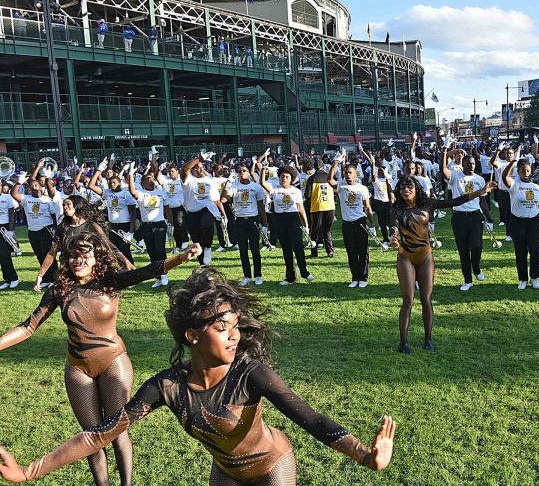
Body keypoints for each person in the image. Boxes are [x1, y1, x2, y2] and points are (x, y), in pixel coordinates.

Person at [0, 267, 396, 485]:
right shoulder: (167, 387)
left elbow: (310, 419)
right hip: (224, 473)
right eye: (223, 326)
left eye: (236, 325)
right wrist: (28, 472)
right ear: (192, 334)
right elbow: (98, 434)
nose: (234, 334)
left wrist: (365, 454)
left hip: (273, 470)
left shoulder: (251, 374)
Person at [0, 232, 201, 486]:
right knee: (91, 437)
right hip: (78, 368)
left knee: (117, 432)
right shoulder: (60, 290)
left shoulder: (110, 282)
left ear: (96, 258)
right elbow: (29, 326)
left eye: (84, 255)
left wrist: (182, 257)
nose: (77, 260)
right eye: (72, 255)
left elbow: (148, 271)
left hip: (112, 362)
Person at [389, 175, 496, 354]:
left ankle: (428, 339)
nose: (405, 190)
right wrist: (394, 237)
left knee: (427, 299)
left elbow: (455, 201)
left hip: (425, 256)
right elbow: (393, 226)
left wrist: (481, 191)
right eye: (402, 188)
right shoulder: (396, 209)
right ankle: (403, 342)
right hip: (405, 256)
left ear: (416, 189)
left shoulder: (428, 204)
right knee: (408, 301)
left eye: (409, 187)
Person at [33, 195, 133, 292]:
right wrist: (40, 275)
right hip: (70, 270)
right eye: (63, 205)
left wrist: (125, 261)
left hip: (91, 270)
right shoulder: (62, 228)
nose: (64, 207)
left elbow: (108, 245)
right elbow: (52, 253)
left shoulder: (91, 226)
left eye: (68, 204)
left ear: (77, 205)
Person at [440, 143, 494, 291]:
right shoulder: (456, 176)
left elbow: (482, 200)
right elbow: (443, 169)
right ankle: (467, 280)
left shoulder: (480, 179)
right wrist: (446, 151)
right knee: (463, 250)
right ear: (462, 164)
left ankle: (475, 268)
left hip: (476, 217)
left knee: (477, 246)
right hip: (459, 217)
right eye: (468, 163)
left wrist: (489, 218)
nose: (471, 166)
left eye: (473, 163)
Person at [260, 163, 314, 285]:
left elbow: (301, 209)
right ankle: (290, 277)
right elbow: (263, 183)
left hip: (293, 219)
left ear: (292, 179)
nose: (284, 178)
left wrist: (306, 225)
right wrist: (263, 170)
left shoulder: (296, 191)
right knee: (286, 250)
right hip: (280, 219)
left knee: (298, 247)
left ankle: (305, 272)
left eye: (287, 177)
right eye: (282, 176)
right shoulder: (275, 190)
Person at [328, 154, 376, 288]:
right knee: (351, 252)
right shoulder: (341, 187)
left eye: (350, 173)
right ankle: (355, 277)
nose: (348, 175)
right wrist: (336, 163)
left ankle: (363, 278)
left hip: (360, 223)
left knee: (363, 252)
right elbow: (329, 179)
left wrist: (372, 225)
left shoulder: (362, 188)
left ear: (356, 174)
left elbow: (367, 207)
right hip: (347, 225)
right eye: (346, 173)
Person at [502, 153, 539, 290]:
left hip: (534, 222)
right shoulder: (515, 184)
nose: (526, 173)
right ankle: (523, 279)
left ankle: (534, 277)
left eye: (528, 170)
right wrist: (513, 161)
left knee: (535, 250)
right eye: (523, 170)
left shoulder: (536, 187)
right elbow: (504, 177)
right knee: (520, 251)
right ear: (518, 172)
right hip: (517, 222)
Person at [221, 163, 268, 286]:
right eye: (240, 171)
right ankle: (247, 276)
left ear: (249, 173)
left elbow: (261, 206)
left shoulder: (256, 187)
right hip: (240, 220)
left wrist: (265, 223)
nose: (242, 172)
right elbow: (223, 199)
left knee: (254, 249)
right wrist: (227, 184)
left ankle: (258, 275)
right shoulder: (234, 185)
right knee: (243, 250)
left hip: (253, 219)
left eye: (244, 170)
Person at [11, 170, 58, 287]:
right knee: (40, 255)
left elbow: (53, 216)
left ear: (41, 187)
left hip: (45, 230)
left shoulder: (47, 200)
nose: (33, 188)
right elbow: (14, 194)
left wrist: (56, 230)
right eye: (31, 187)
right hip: (32, 232)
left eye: (36, 185)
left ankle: (55, 279)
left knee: (49, 255)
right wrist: (19, 182)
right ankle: (46, 279)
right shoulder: (26, 199)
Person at [126, 166, 172, 287]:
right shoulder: (141, 194)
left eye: (152, 179)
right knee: (151, 251)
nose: (151, 181)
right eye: (148, 179)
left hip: (159, 224)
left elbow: (167, 209)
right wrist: (130, 175)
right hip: (146, 226)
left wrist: (171, 223)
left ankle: (164, 273)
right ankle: (157, 277)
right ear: (143, 183)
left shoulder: (160, 192)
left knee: (160, 249)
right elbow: (132, 191)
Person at [88, 158, 137, 264]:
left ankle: (130, 271)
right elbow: (91, 185)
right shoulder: (107, 192)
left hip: (125, 225)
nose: (111, 185)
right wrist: (99, 169)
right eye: (110, 183)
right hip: (112, 226)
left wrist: (131, 231)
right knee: (114, 251)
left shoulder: (126, 194)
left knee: (125, 251)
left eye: (114, 183)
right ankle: (120, 273)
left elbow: (133, 213)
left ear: (119, 183)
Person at [181, 153, 225, 265]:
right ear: (193, 170)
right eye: (197, 168)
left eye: (202, 168)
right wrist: (199, 158)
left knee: (208, 223)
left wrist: (223, 213)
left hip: (207, 209)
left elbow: (215, 199)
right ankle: (203, 266)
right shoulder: (189, 180)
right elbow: (184, 168)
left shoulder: (209, 180)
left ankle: (208, 247)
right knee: (197, 241)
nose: (200, 171)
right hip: (192, 213)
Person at [303, 153, 336, 258]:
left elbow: (307, 195)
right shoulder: (330, 177)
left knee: (315, 230)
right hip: (330, 206)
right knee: (327, 230)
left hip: (317, 207)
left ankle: (314, 253)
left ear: (314, 167)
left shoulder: (311, 178)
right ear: (323, 166)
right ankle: (329, 251)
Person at [0, 187, 19, 290]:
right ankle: (7, 279)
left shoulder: (7, 197)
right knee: (1, 256)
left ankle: (14, 278)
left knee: (5, 254)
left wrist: (11, 231)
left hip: (5, 227)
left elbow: (12, 214)